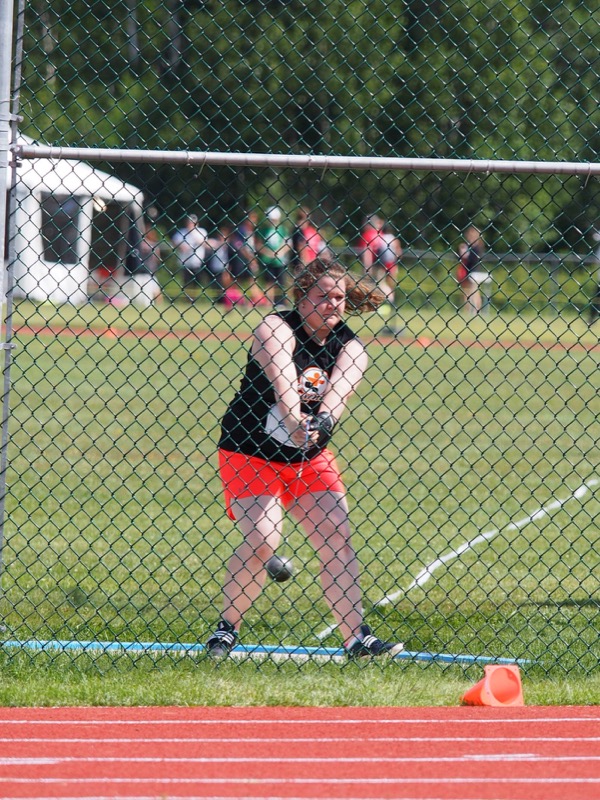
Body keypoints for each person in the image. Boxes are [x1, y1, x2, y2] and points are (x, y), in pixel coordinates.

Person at [207, 258, 404, 660]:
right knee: (263, 540)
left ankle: (356, 639)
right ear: (301, 298)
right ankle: (226, 630)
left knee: (337, 534)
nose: (333, 304)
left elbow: (338, 395)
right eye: (323, 296)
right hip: (250, 451)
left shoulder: (351, 347)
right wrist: (296, 420)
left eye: (339, 297)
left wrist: (323, 423)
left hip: (307, 458)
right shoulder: (276, 328)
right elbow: (283, 382)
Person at [357, 214, 403, 331]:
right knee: (379, 285)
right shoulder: (381, 235)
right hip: (385, 264)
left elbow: (367, 252)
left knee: (376, 285)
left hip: (375, 265)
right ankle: (383, 304)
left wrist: (367, 267)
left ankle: (387, 303)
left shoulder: (368, 235)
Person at [257, 206, 291, 307]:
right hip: (267, 260)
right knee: (269, 283)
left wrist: (280, 252)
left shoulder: (283, 230)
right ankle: (269, 302)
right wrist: (268, 253)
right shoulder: (263, 230)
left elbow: (287, 243)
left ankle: (281, 302)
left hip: (280, 261)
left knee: (281, 282)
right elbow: (258, 245)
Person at [171, 214, 210, 300]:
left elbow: (204, 242)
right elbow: (175, 241)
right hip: (185, 261)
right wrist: (181, 246)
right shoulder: (182, 232)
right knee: (186, 281)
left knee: (197, 281)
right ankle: (187, 298)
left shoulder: (201, 232)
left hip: (197, 261)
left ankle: (194, 297)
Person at [456, 226, 485, 316]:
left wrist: (466, 254)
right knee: (467, 292)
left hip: (474, 271)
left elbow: (473, 259)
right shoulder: (469, 246)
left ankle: (476, 310)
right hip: (468, 271)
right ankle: (468, 311)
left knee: (474, 291)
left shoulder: (477, 247)